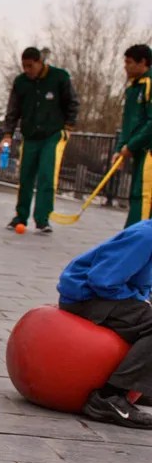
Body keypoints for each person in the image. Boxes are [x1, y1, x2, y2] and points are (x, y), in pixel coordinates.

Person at [58, 220, 152, 428]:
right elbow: (103, 281)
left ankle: (136, 386)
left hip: (107, 295)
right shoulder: (146, 237)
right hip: (86, 298)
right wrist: (140, 301)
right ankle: (109, 397)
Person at [0, 47, 80, 234]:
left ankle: (43, 219)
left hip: (52, 135)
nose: (28, 70)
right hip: (30, 137)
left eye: (30, 66)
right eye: (24, 66)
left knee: (46, 176)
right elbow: (13, 110)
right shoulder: (21, 83)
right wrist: (7, 134)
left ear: (39, 62)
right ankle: (20, 216)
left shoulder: (59, 77)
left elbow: (72, 102)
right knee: (25, 177)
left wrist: (69, 126)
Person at [115, 44, 152, 227]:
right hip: (138, 150)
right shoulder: (132, 88)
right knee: (135, 194)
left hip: (148, 151)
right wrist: (120, 148)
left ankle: (137, 238)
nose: (125, 67)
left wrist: (132, 145)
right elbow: (128, 121)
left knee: (142, 195)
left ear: (143, 62)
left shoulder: (149, 84)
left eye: (129, 62)